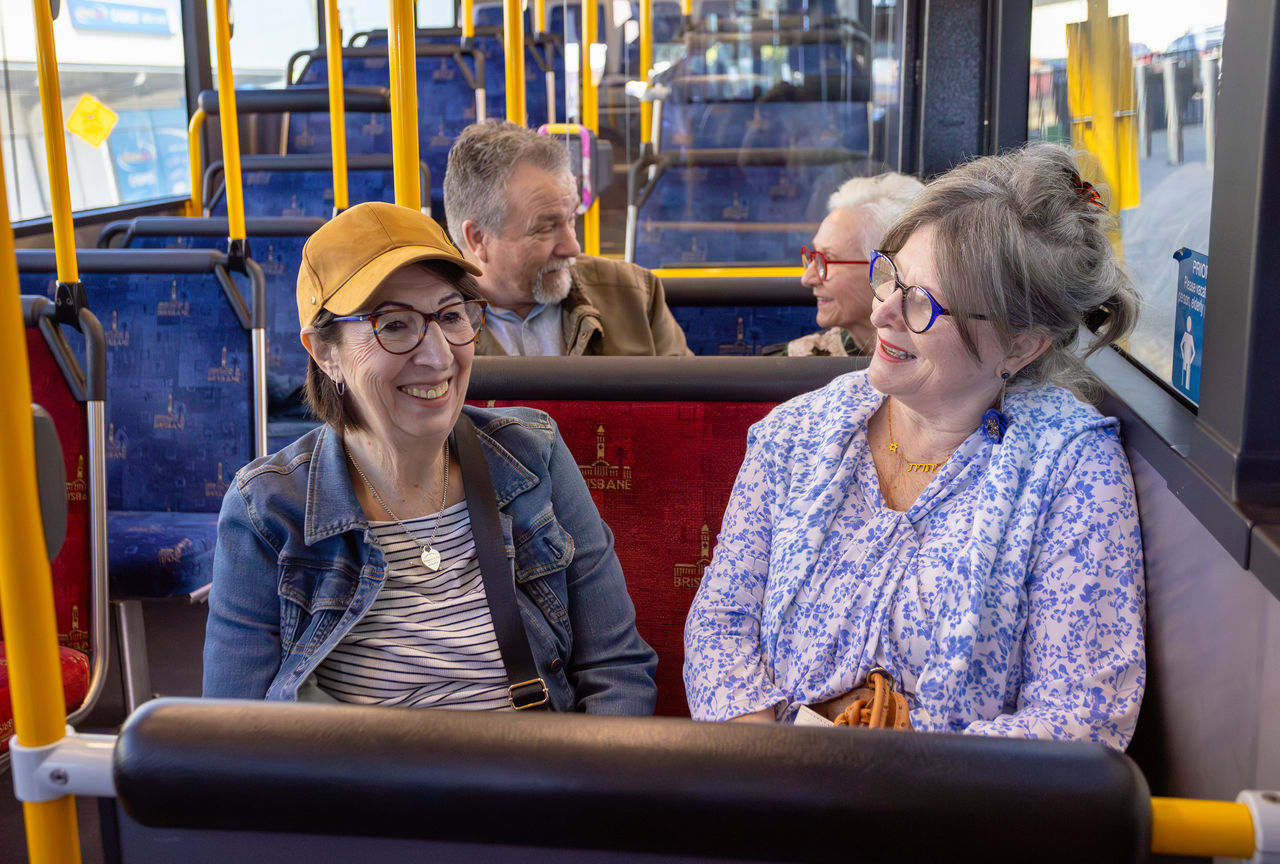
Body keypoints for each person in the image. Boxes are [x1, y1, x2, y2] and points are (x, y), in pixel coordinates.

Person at [684, 144, 1145, 748]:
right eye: (890, 277)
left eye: (924, 302)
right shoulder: (795, 434)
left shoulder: (1072, 471)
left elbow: (1082, 717)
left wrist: (892, 771)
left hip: (945, 801)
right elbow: (720, 626)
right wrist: (774, 764)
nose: (884, 314)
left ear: (1020, 346)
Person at [204, 202, 658, 713]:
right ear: (324, 352)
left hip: (537, 760)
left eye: (450, 316)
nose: (439, 355)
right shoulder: (267, 511)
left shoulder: (533, 456)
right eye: (394, 325)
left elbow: (616, 669)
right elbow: (233, 734)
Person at [442, 120, 692, 357]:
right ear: (478, 238)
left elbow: (687, 389)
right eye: (545, 228)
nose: (573, 247)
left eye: (571, 219)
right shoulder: (430, 332)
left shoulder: (637, 297)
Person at [781, 172, 923, 356]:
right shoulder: (797, 361)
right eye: (813, 257)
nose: (807, 279)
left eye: (828, 259)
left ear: (888, 272)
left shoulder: (949, 367)